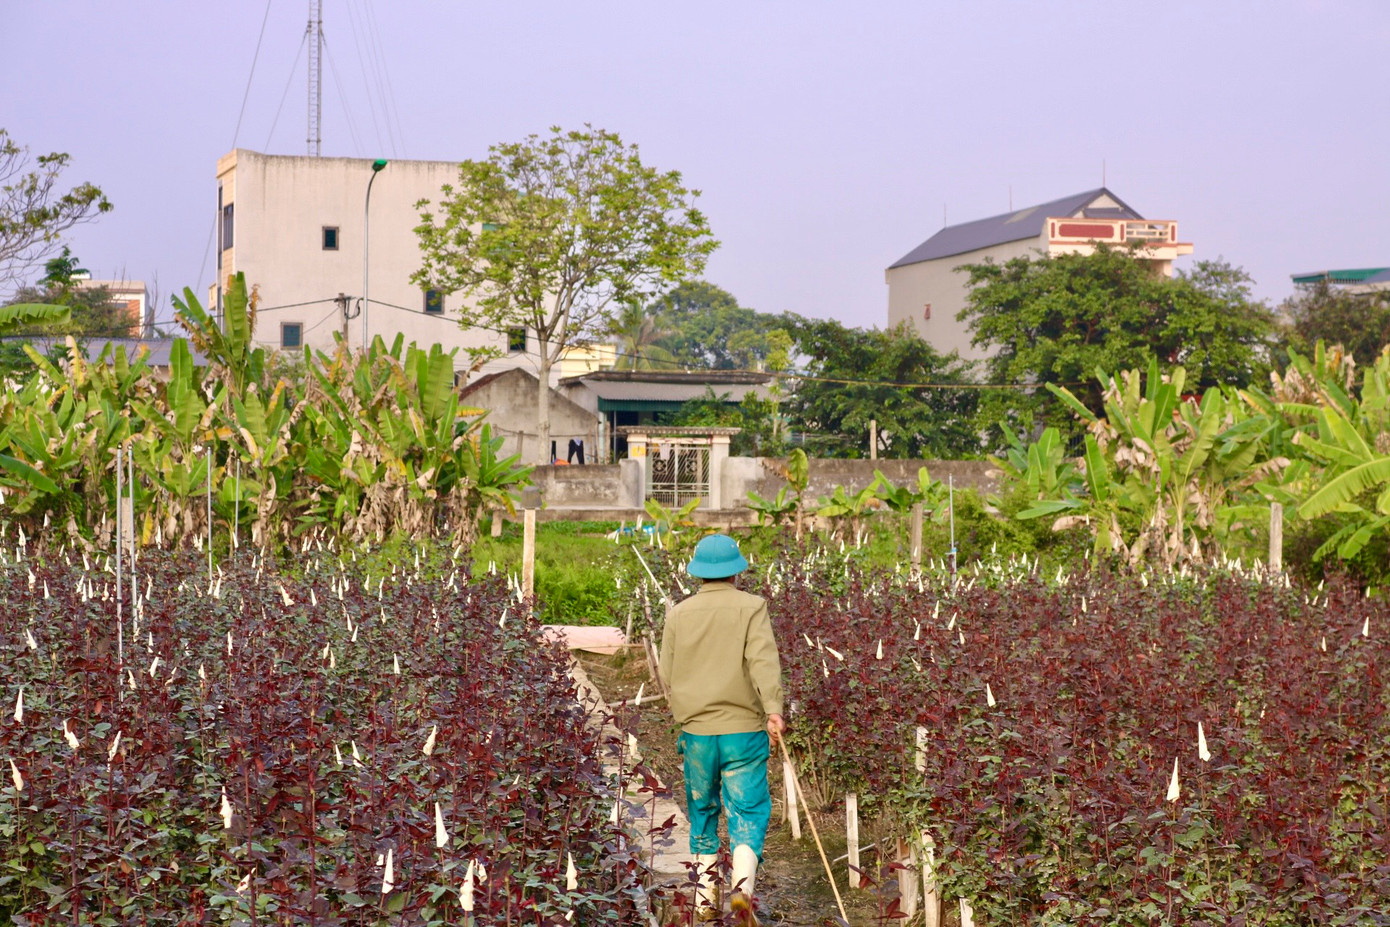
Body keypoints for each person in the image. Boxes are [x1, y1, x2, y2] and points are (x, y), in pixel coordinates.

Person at [659, 533, 785, 923]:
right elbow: (763, 663)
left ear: (698, 573)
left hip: (697, 733)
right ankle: (741, 892)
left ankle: (703, 900)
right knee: (747, 809)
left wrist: (685, 711)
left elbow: (667, 672)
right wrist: (773, 710)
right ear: (736, 572)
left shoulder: (679, 614)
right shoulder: (752, 607)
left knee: (702, 809)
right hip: (743, 731)